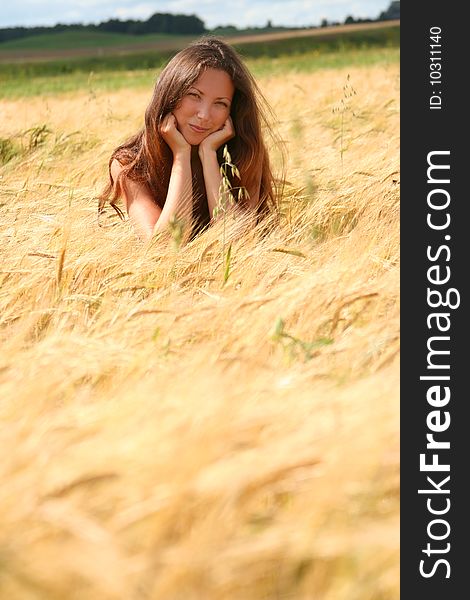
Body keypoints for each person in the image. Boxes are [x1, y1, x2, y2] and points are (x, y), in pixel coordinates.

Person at [99, 36, 283, 241]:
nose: (204, 115)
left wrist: (209, 156)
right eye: (194, 95)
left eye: (220, 103)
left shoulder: (244, 152)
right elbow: (165, 246)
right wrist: (181, 155)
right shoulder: (129, 164)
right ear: (171, 93)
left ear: (232, 111)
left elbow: (236, 243)